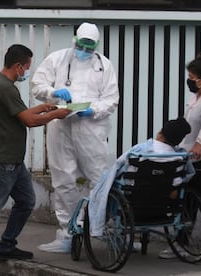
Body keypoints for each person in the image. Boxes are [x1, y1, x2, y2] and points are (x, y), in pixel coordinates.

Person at [0, 44, 71, 276]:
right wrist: (57, 114)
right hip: (2, 161)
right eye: (26, 68)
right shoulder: (4, 88)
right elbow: (29, 121)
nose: (26, 73)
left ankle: (6, 246)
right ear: (17, 66)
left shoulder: (3, 85)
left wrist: (45, 107)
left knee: (25, 202)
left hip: (13, 160)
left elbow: (22, 113)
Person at [31, 22, 120, 253]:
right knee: (63, 179)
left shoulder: (104, 65)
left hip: (91, 127)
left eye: (90, 47)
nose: (85, 51)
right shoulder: (57, 59)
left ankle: (97, 227)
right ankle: (67, 233)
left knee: (99, 178)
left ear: (96, 46)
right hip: (61, 125)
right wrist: (53, 93)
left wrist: (94, 110)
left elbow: (112, 99)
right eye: (82, 45)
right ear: (75, 40)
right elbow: (37, 86)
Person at [158, 54, 201, 262]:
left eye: (191, 76)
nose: (189, 80)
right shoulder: (196, 98)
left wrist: (199, 144)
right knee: (186, 202)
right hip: (187, 156)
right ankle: (181, 242)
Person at [88, 117, 193, 237]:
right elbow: (188, 174)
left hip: (134, 200)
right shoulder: (179, 157)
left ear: (160, 133)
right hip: (164, 203)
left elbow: (118, 166)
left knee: (110, 182)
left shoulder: (140, 151)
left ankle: (102, 221)